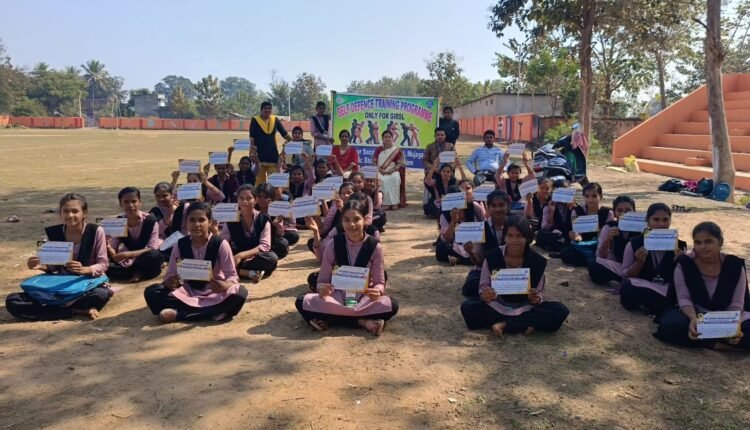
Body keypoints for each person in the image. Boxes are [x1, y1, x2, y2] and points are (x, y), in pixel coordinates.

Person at [295, 199, 398, 336]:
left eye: (356, 219)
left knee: (392, 305)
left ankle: (330, 319)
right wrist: (321, 288)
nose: (351, 224)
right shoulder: (333, 244)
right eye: (346, 220)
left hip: (362, 298)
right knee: (301, 301)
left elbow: (379, 282)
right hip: (336, 296)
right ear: (342, 221)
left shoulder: (375, 247)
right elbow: (322, 279)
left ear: (365, 220)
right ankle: (363, 322)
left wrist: (378, 291)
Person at [6, 193, 112, 320]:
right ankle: (75, 310)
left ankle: (57, 309)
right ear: (60, 213)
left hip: (88, 284)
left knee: (100, 294)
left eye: (75, 211)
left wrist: (86, 269)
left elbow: (103, 264)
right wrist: (41, 266)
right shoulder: (54, 233)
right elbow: (54, 267)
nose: (70, 215)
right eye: (66, 211)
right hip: (60, 285)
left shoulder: (95, 231)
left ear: (84, 213)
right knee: (12, 301)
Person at [460, 215, 570, 336]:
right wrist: (485, 294)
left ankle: (505, 324)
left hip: (525, 308)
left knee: (560, 310)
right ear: (504, 237)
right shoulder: (493, 256)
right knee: (468, 307)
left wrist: (536, 298)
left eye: (519, 236)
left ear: (527, 238)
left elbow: (538, 292)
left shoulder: (537, 261)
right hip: (497, 306)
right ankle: (524, 324)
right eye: (510, 235)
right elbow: (484, 285)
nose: (514, 240)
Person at [144, 202, 248, 323]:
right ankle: (214, 311)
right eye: (192, 220)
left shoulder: (220, 244)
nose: (196, 224)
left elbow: (232, 276)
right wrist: (171, 282)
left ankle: (180, 314)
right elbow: (170, 275)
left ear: (210, 222)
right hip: (188, 292)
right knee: (152, 292)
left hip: (215, 293)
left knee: (240, 293)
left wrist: (225, 286)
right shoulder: (180, 244)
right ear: (186, 222)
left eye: (201, 220)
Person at [655, 222, 750, 350]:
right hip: (695, 314)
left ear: (720, 242)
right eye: (698, 242)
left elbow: (736, 303)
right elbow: (684, 298)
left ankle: (707, 339)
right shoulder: (684, 264)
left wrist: (731, 326)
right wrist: (693, 318)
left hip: (726, 316)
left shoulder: (735, 265)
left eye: (708, 241)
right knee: (670, 326)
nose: (702, 247)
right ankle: (715, 344)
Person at [619, 203, 686, 317]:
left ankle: (652, 307)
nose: (661, 224)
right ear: (647, 221)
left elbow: (682, 281)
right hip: (643, 285)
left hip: (666, 290)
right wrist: (639, 262)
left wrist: (679, 263)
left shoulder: (679, 246)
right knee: (627, 289)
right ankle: (660, 308)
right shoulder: (634, 243)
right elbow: (624, 275)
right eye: (656, 219)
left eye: (665, 220)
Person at [221, 185, 279, 283]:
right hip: (235, 254)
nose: (245, 202)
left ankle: (235, 271)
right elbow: (224, 241)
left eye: (249, 198)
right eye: (241, 198)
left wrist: (241, 256)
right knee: (218, 258)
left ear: (255, 200)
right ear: (237, 200)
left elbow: (264, 246)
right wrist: (214, 230)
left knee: (272, 258)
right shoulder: (231, 219)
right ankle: (247, 272)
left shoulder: (263, 219)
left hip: (255, 255)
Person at [106, 187, 164, 283]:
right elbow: (114, 249)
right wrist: (108, 246)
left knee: (154, 256)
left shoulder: (150, 221)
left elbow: (152, 248)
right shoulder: (119, 222)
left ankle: (134, 271)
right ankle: (137, 271)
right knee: (103, 263)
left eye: (134, 201)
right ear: (121, 204)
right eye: (126, 202)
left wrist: (128, 254)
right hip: (126, 260)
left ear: (140, 202)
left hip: (144, 257)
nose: (130, 205)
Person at [462, 190, 511, 298]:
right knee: (471, 286)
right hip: (486, 272)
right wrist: (470, 252)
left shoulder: (515, 226)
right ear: (488, 208)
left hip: (510, 273)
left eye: (501, 205)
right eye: (494, 206)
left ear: (508, 207)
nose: (498, 209)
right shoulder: (482, 228)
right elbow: (479, 260)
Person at [558, 182, 614, 267]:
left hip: (600, 245)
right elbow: (578, 236)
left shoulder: (608, 212)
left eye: (594, 196)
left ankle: (591, 260)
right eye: (587, 196)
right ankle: (593, 260)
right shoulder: (577, 211)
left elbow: (608, 239)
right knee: (566, 252)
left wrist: (602, 234)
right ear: (583, 197)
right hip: (582, 244)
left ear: (601, 196)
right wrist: (575, 237)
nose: (590, 200)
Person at [588, 196, 639, 285]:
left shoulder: (643, 228)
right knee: (594, 265)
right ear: (615, 213)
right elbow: (600, 255)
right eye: (619, 210)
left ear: (634, 211)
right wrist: (608, 239)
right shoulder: (609, 227)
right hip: (618, 265)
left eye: (628, 210)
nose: (624, 213)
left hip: (637, 267)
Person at [436, 185, 486, 266]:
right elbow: (446, 239)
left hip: (475, 243)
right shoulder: (444, 214)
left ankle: (463, 259)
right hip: (456, 246)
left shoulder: (474, 206)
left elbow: (485, 224)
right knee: (440, 248)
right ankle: (463, 259)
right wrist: (453, 221)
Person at [249, 101, 291, 184]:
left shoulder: (275, 119)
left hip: (272, 155)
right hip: (259, 156)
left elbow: (284, 133)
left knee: (273, 182)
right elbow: (252, 137)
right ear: (261, 109)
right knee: (259, 182)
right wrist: (252, 152)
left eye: (269, 108)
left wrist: (292, 141)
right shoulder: (255, 120)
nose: (267, 110)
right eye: (265, 108)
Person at [254, 182, 295, 259]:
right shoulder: (253, 209)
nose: (262, 200)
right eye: (259, 196)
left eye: (265, 197)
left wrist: (276, 224)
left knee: (283, 244)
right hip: (254, 239)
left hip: (270, 239)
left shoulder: (276, 210)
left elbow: (279, 234)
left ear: (271, 198)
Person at [535, 179, 576, 253]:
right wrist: (552, 211)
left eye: (565, 191)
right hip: (554, 234)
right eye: (559, 192)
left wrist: (573, 210)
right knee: (541, 234)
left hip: (568, 235)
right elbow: (544, 227)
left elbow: (577, 227)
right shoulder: (548, 205)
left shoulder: (574, 206)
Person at [373, 130, 405, 210]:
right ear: (382, 139)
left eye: (389, 137)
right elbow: (374, 162)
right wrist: (379, 169)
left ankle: (395, 203)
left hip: (392, 171)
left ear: (392, 138)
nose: (387, 138)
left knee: (395, 178)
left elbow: (399, 164)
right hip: (380, 171)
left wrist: (392, 170)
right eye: (385, 137)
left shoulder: (396, 150)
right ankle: (384, 203)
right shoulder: (378, 149)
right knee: (379, 179)